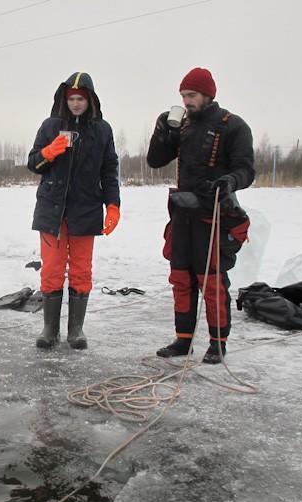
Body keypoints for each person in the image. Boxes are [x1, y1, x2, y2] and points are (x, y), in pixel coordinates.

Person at [146, 68, 254, 363]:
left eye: (191, 95)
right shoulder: (182, 126)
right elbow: (155, 161)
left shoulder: (233, 126)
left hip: (214, 215)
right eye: (182, 95)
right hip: (182, 214)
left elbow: (247, 169)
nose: (186, 100)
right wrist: (161, 132)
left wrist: (230, 181)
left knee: (212, 283)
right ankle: (183, 341)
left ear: (208, 94)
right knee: (180, 278)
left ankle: (218, 344)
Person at [27, 72, 121, 350]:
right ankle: (50, 329)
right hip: (51, 210)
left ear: (89, 100)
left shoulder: (102, 130)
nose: (76, 104)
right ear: (64, 100)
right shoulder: (50, 126)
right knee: (52, 269)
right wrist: (48, 153)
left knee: (81, 270)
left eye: (81, 99)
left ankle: (76, 330)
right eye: (72, 99)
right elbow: (33, 163)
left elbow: (109, 169)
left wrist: (113, 204)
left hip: (86, 209)